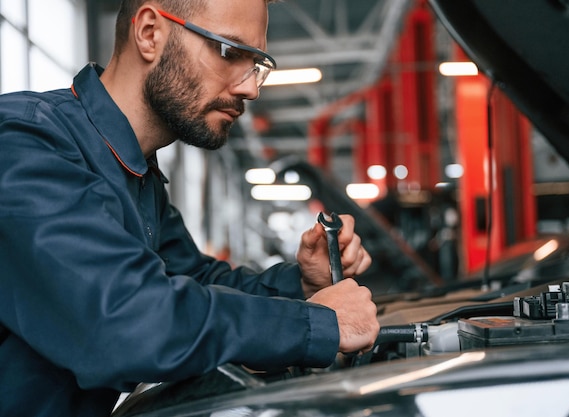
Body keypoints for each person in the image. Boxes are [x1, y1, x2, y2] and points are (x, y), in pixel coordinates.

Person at [0, 0, 380, 415]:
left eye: (257, 63)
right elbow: (127, 323)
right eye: (229, 52)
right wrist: (316, 324)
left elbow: (196, 282)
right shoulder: (26, 143)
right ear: (149, 33)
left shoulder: (135, 173)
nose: (250, 87)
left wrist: (303, 285)